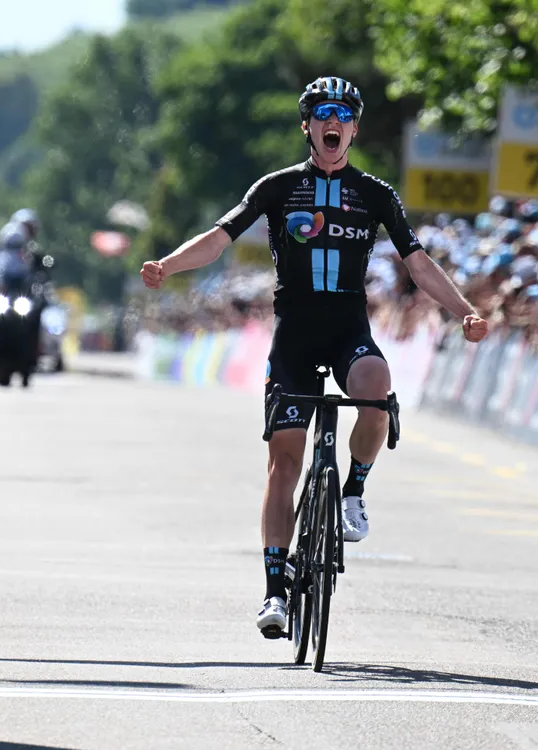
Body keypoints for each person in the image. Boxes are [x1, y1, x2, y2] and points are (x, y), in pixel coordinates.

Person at [139, 76, 489, 638]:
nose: (334, 121)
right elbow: (219, 237)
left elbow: (418, 264)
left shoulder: (375, 194)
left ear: (352, 128)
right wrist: (169, 265)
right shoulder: (278, 187)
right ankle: (275, 592)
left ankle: (354, 491)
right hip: (295, 337)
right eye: (323, 113)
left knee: (376, 385)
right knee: (284, 462)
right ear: (308, 125)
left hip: (347, 328)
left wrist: (464, 310)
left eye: (344, 114)